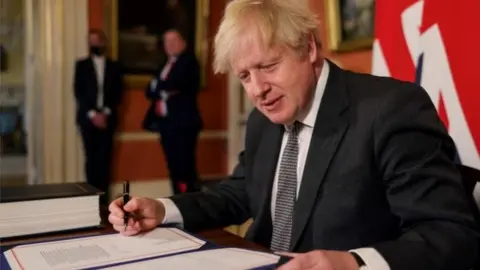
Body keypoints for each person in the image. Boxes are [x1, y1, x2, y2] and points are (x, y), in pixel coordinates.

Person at [109, 1, 480, 269]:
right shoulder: (261, 121)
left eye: (268, 66)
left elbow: (449, 233)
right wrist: (163, 209)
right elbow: (240, 193)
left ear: (310, 48)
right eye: (244, 76)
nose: (257, 90)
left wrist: (354, 263)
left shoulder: (389, 108)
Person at [142, 29, 203, 194]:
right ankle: (177, 197)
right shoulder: (163, 63)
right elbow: (150, 90)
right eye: (167, 42)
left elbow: (178, 84)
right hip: (166, 123)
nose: (170, 45)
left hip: (183, 123)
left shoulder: (189, 62)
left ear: (183, 42)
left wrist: (160, 86)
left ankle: (188, 199)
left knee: (185, 166)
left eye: (173, 41)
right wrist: (163, 89)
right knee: (173, 165)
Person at [74, 29, 124, 206]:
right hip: (87, 120)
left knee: (105, 161)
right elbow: (78, 93)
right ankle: (90, 200)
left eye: (98, 41)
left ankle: (104, 202)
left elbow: (118, 94)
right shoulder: (81, 66)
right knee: (91, 161)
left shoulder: (115, 67)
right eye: (91, 41)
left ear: (104, 42)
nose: (95, 44)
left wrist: (105, 113)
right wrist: (94, 115)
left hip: (108, 119)